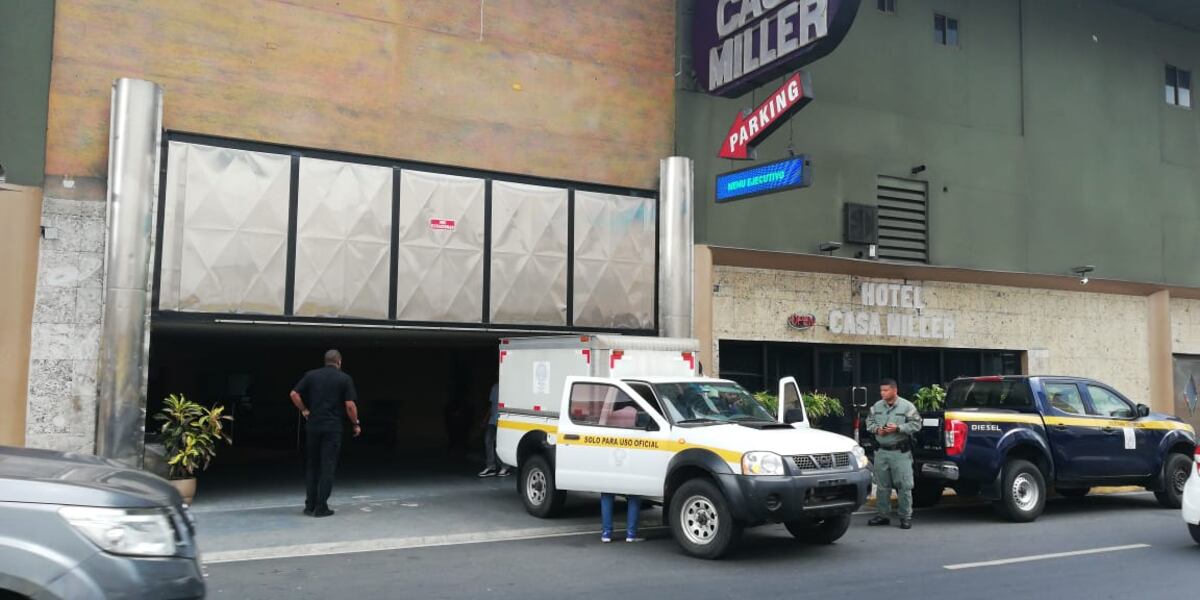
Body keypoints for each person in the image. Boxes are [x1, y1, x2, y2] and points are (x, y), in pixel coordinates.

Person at [290, 349, 361, 518]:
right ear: (339, 361)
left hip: (313, 427)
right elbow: (350, 405)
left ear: (326, 361)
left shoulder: (311, 375)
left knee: (312, 465)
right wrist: (355, 423)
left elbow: (293, 394)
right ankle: (321, 507)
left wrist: (304, 410)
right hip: (332, 428)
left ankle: (310, 505)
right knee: (327, 466)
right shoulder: (344, 378)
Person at [865, 377, 922, 530]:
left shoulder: (907, 406)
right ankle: (883, 515)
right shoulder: (877, 406)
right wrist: (877, 430)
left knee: (904, 485)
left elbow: (917, 424)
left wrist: (898, 428)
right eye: (881, 390)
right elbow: (869, 423)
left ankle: (905, 517)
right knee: (882, 486)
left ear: (895, 390)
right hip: (881, 452)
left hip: (900, 452)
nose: (882, 393)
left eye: (886, 390)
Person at [478, 382, 510, 477]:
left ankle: (505, 467)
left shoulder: (508, 386)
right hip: (492, 420)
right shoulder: (495, 387)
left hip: (503, 420)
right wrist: (485, 419)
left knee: (500, 444)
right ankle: (491, 467)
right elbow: (492, 405)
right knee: (488, 441)